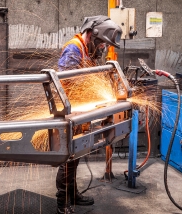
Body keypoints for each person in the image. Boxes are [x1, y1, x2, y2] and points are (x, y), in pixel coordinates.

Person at [56, 15, 122, 214]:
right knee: (67, 158)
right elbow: (63, 80)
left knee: (75, 156)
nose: (102, 48)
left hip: (80, 111)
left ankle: (73, 195)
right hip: (70, 113)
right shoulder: (74, 48)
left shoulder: (88, 51)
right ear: (92, 35)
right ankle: (62, 202)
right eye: (101, 43)